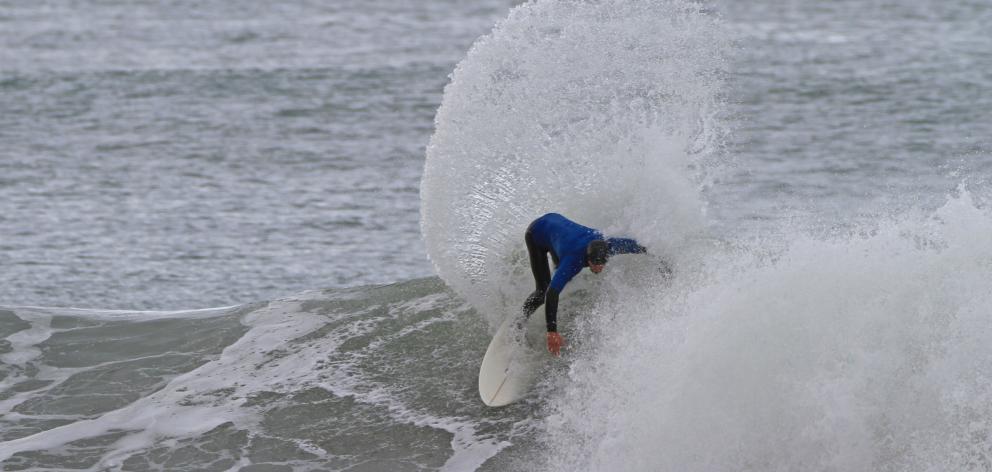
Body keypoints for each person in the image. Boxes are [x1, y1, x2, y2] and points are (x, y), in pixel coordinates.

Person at [521, 212, 647, 356]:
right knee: (543, 291)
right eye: (595, 264)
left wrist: (662, 257)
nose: (599, 268)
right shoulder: (573, 261)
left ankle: (559, 273)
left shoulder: (609, 244)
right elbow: (552, 292)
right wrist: (552, 331)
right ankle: (519, 323)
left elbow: (640, 246)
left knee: (562, 272)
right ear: (587, 258)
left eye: (602, 264)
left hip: (557, 226)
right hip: (537, 232)